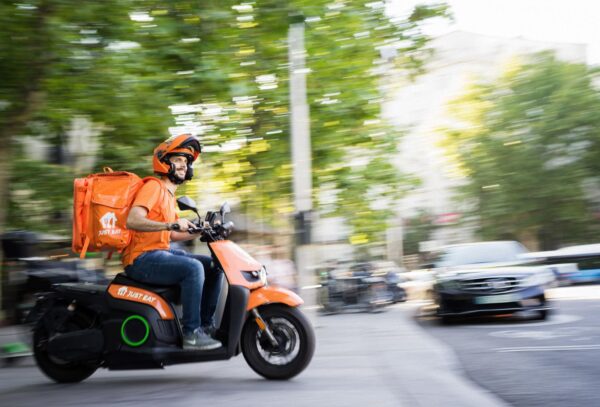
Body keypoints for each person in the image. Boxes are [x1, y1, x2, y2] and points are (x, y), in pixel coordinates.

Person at [122, 134, 223, 350]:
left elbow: (173, 235)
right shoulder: (154, 187)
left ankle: (206, 326)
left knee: (214, 266)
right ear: (164, 162)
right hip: (140, 259)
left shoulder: (168, 196)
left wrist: (200, 230)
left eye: (186, 161)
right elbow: (133, 220)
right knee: (194, 268)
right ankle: (191, 333)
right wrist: (170, 225)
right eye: (178, 159)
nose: (183, 165)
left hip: (160, 253)